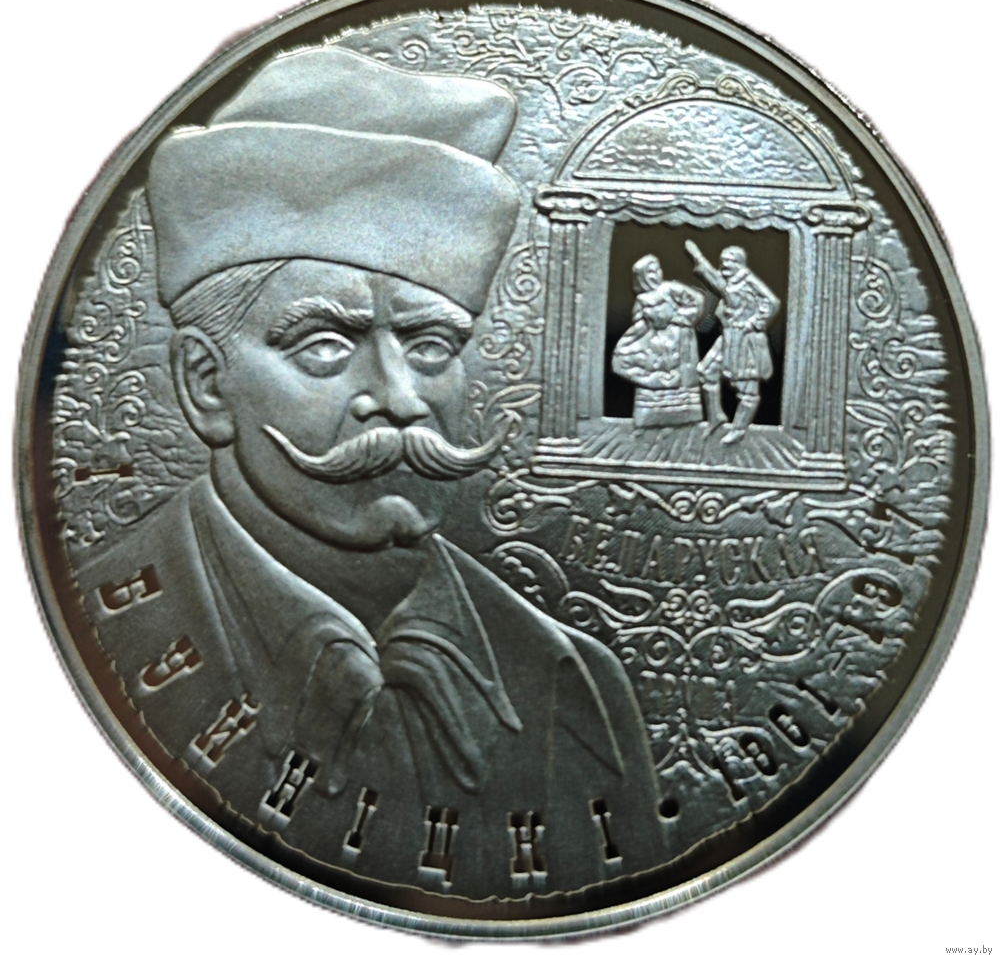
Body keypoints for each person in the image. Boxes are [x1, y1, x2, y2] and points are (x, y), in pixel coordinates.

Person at [74, 47, 669, 901]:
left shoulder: (575, 685)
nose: (399, 399)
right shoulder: (99, 633)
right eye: (325, 346)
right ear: (205, 385)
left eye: (430, 347)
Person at [685, 241, 780, 444]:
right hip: (728, 336)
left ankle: (739, 429)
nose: (724, 265)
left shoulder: (749, 282)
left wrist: (753, 323)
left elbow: (772, 302)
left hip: (746, 340)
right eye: (722, 261)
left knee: (747, 388)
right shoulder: (730, 283)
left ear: (739, 263)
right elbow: (713, 278)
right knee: (706, 371)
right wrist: (697, 257)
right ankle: (716, 416)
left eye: (728, 261)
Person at [612, 254, 706, 427]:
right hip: (654, 343)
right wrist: (649, 320)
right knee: (624, 357)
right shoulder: (641, 300)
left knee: (681, 379)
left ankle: (685, 412)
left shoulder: (670, 288)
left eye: (657, 270)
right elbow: (638, 321)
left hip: (679, 340)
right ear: (641, 278)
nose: (655, 275)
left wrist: (676, 318)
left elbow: (697, 301)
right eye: (649, 272)